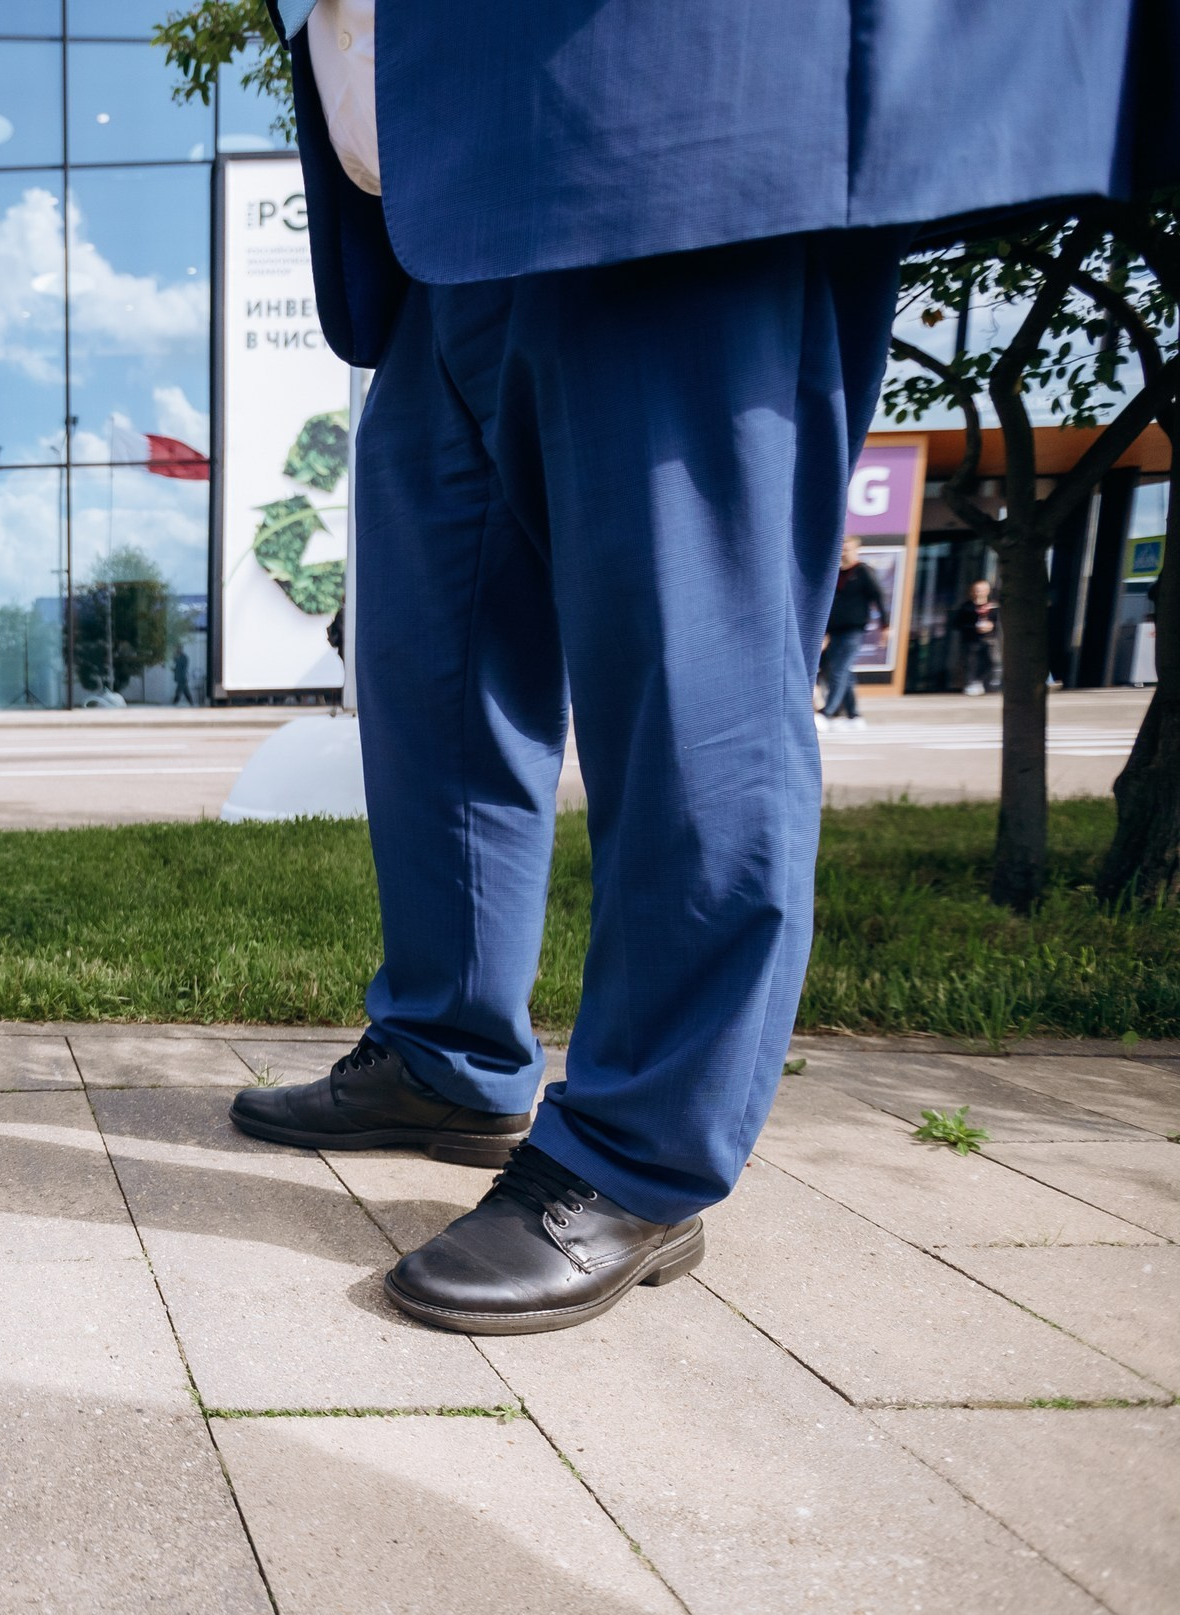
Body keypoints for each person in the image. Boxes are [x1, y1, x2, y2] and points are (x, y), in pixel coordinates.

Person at [226, 0, 1173, 1334]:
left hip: (671, 127)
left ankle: (640, 1151)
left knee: (689, 670)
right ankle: (447, 1051)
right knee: (430, 673)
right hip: (445, 202)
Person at [818, 538, 889, 728]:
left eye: (847, 549)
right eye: (841, 550)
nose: (843, 553)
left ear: (856, 550)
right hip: (835, 630)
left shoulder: (863, 571)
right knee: (843, 672)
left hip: (853, 629)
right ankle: (854, 716)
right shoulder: (836, 574)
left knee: (839, 670)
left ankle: (827, 713)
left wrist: (885, 625)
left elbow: (878, 597)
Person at [950, 578, 1001, 695]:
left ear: (987, 591)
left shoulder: (994, 607)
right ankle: (972, 683)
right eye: (977, 590)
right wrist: (974, 627)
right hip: (972, 640)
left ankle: (984, 682)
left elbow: (999, 623)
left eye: (982, 590)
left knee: (991, 661)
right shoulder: (966, 607)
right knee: (971, 663)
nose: (979, 593)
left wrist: (991, 626)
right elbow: (957, 624)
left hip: (989, 640)